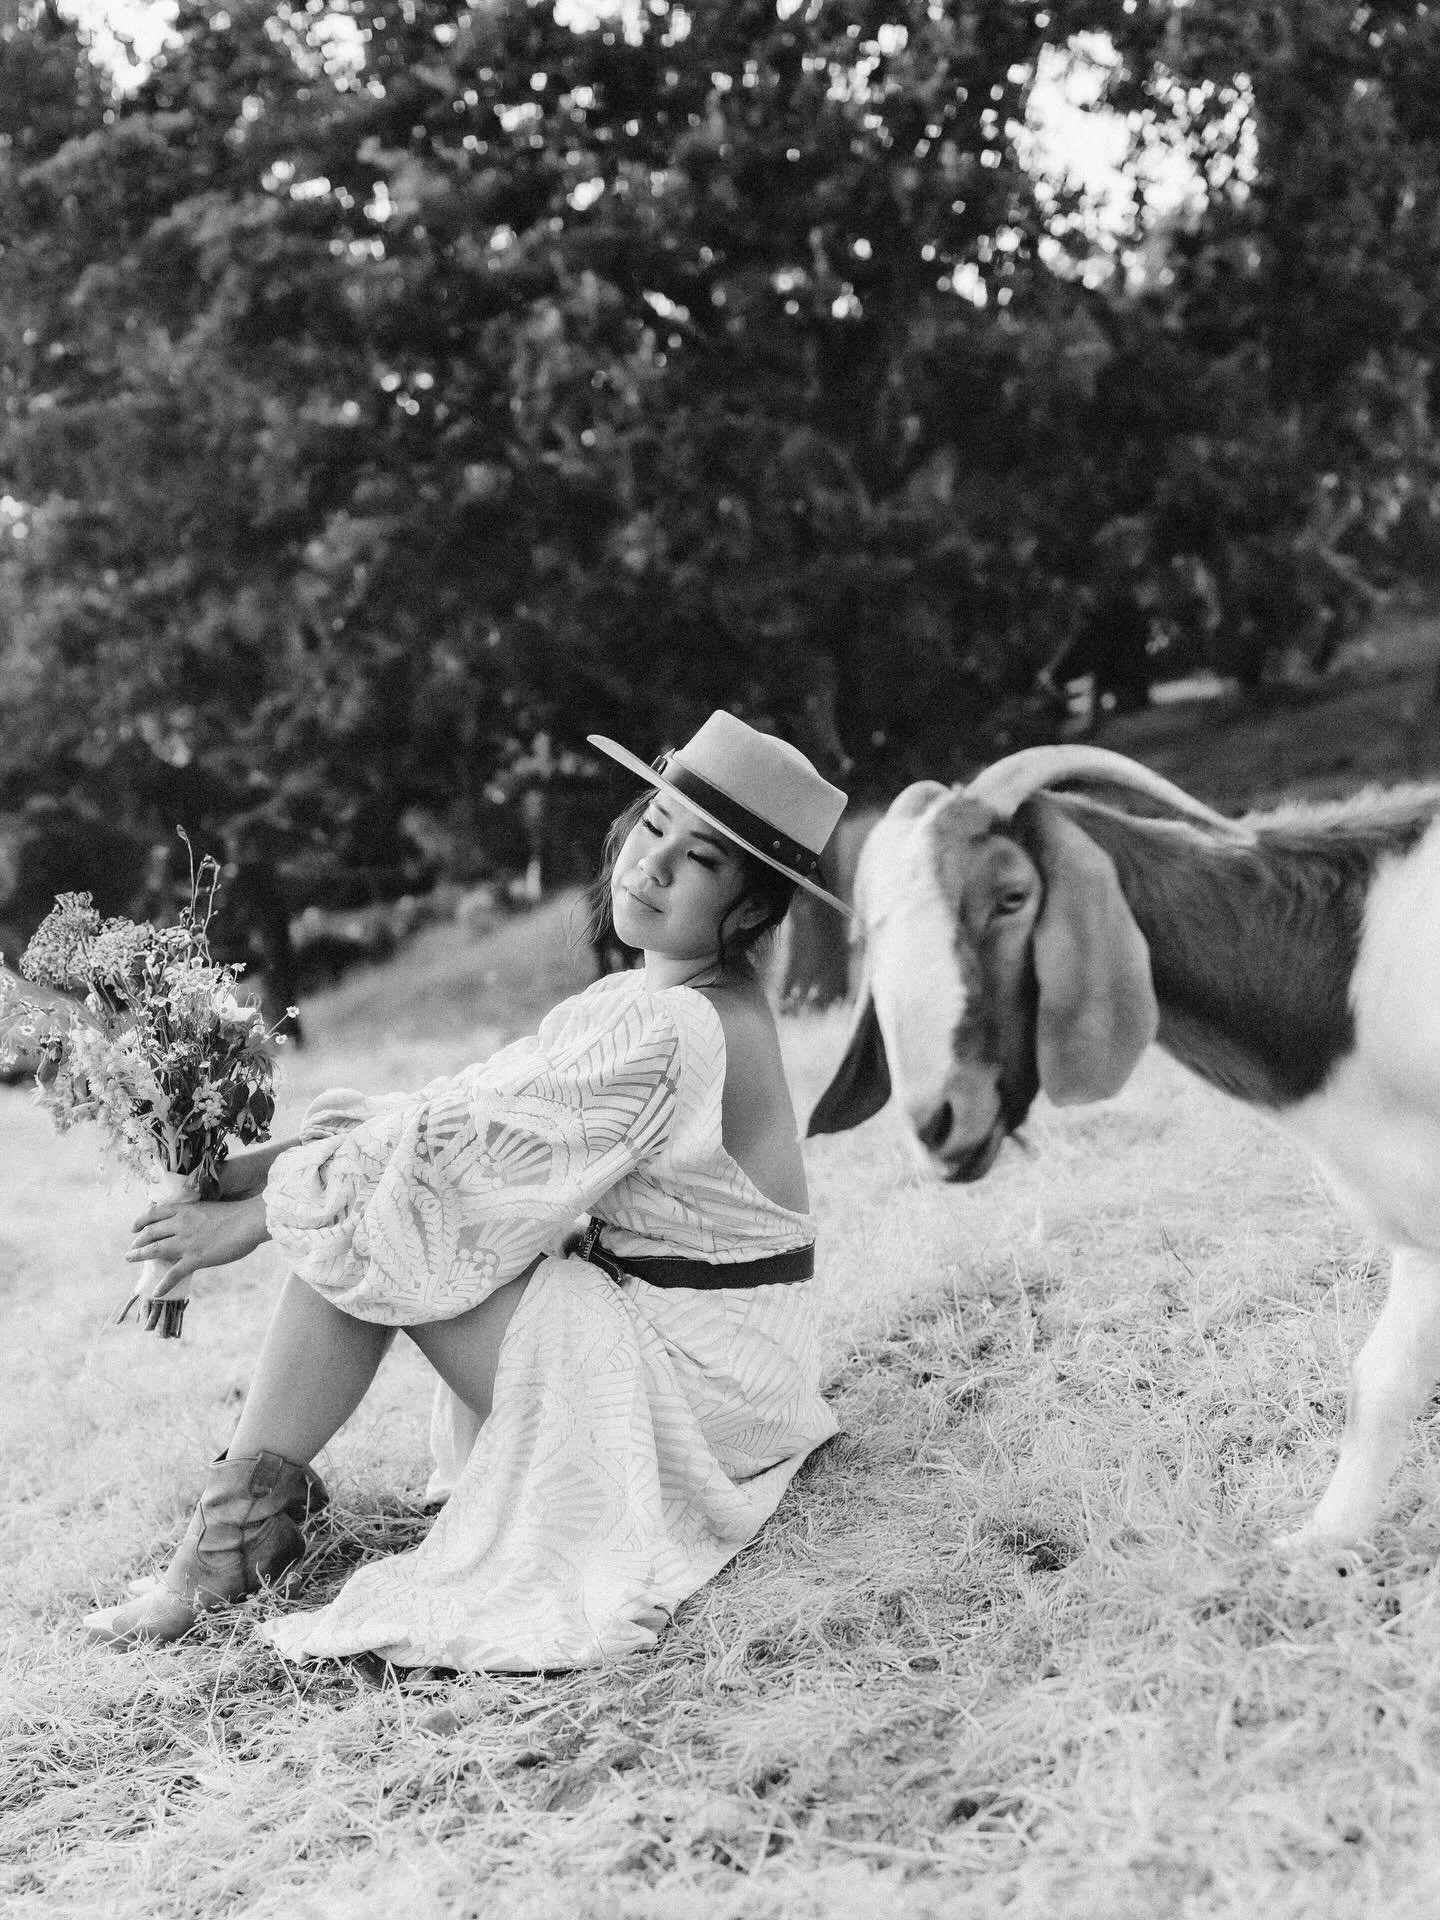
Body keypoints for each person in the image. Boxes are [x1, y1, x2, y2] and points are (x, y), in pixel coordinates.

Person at [83, 712, 851, 1671]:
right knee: (379, 1203)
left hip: (701, 1398)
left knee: (378, 1221)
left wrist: (257, 1220)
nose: (651, 867)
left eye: (698, 860)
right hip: (721, 1363)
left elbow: (454, 1156)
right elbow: (470, 1105)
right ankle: (240, 1531)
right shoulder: (652, 1001)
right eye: (654, 826)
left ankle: (225, 1550)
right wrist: (262, 1164)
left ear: (751, 908)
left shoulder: (677, 1030)